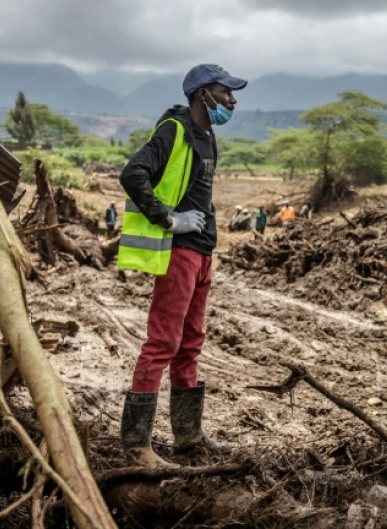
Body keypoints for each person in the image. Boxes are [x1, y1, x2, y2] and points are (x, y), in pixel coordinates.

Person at [116, 63, 247, 468]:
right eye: (226, 93)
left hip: (203, 251)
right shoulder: (173, 131)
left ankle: (189, 440)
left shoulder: (207, 136)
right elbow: (132, 173)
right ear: (203, 94)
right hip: (179, 251)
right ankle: (137, 446)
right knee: (162, 344)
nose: (232, 100)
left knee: (191, 344)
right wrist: (168, 218)